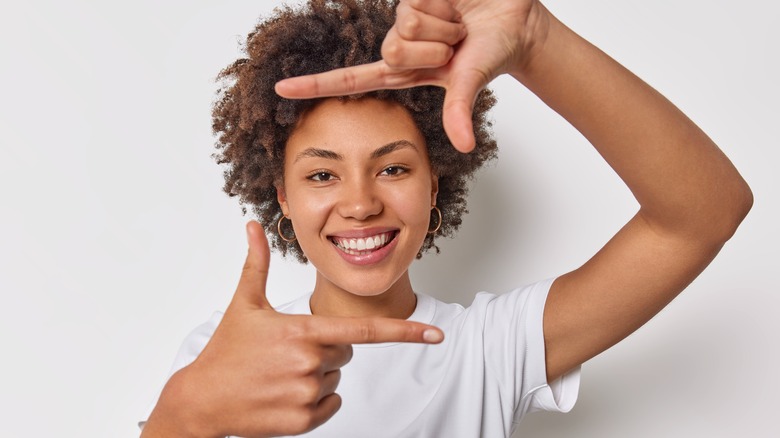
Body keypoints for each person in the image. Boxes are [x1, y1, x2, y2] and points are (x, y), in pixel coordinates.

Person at [140, 0, 753, 436]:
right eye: (322, 175)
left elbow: (702, 215)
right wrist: (185, 412)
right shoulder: (223, 355)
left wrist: (536, 38)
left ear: (435, 183)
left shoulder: (491, 348)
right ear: (282, 196)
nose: (360, 204)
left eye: (392, 168)